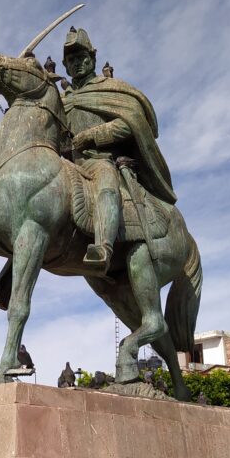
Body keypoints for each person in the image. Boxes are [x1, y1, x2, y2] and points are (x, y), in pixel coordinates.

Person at [61, 28, 177, 274]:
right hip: (68, 164)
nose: (78, 64)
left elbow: (132, 122)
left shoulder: (112, 88)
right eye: (71, 60)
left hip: (101, 160)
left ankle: (103, 246)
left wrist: (92, 136)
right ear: (65, 66)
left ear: (92, 59)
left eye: (82, 58)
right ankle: (7, 280)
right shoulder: (62, 99)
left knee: (105, 181)